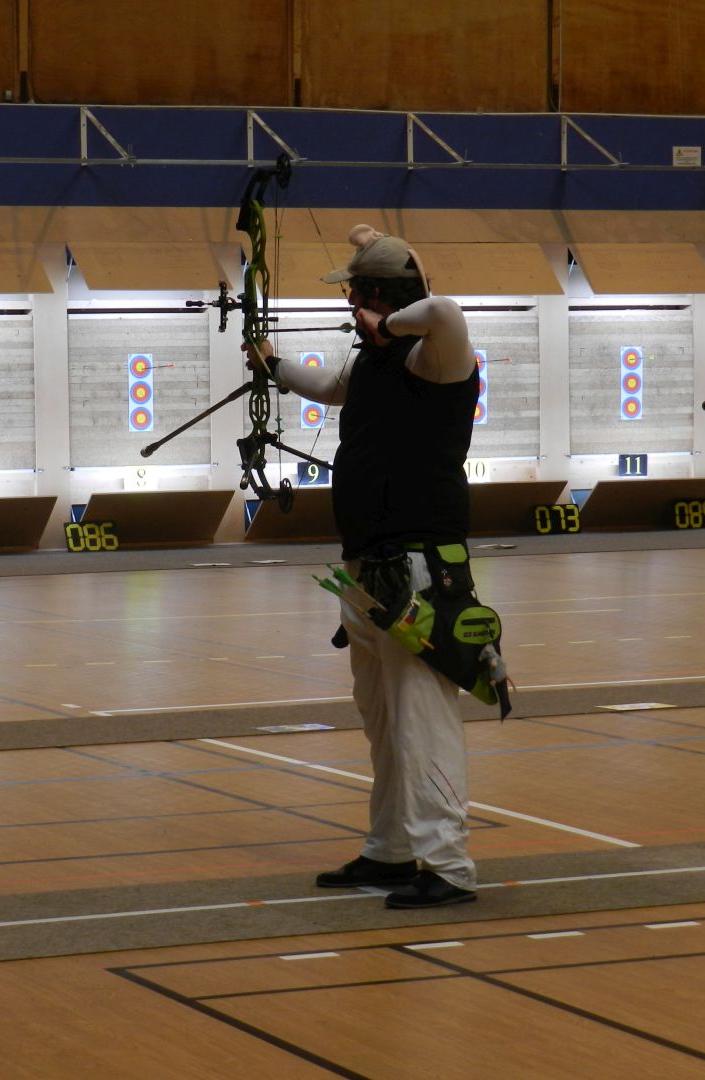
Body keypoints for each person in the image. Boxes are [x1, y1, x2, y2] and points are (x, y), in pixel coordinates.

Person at [250, 225, 482, 907]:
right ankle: (392, 849)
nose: (349, 307)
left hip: (420, 568)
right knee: (382, 718)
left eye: (356, 296)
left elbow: (444, 311)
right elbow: (327, 386)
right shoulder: (373, 362)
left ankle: (448, 865)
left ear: (383, 298)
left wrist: (389, 321)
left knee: (422, 717)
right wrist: (272, 364)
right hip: (366, 566)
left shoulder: (436, 358)